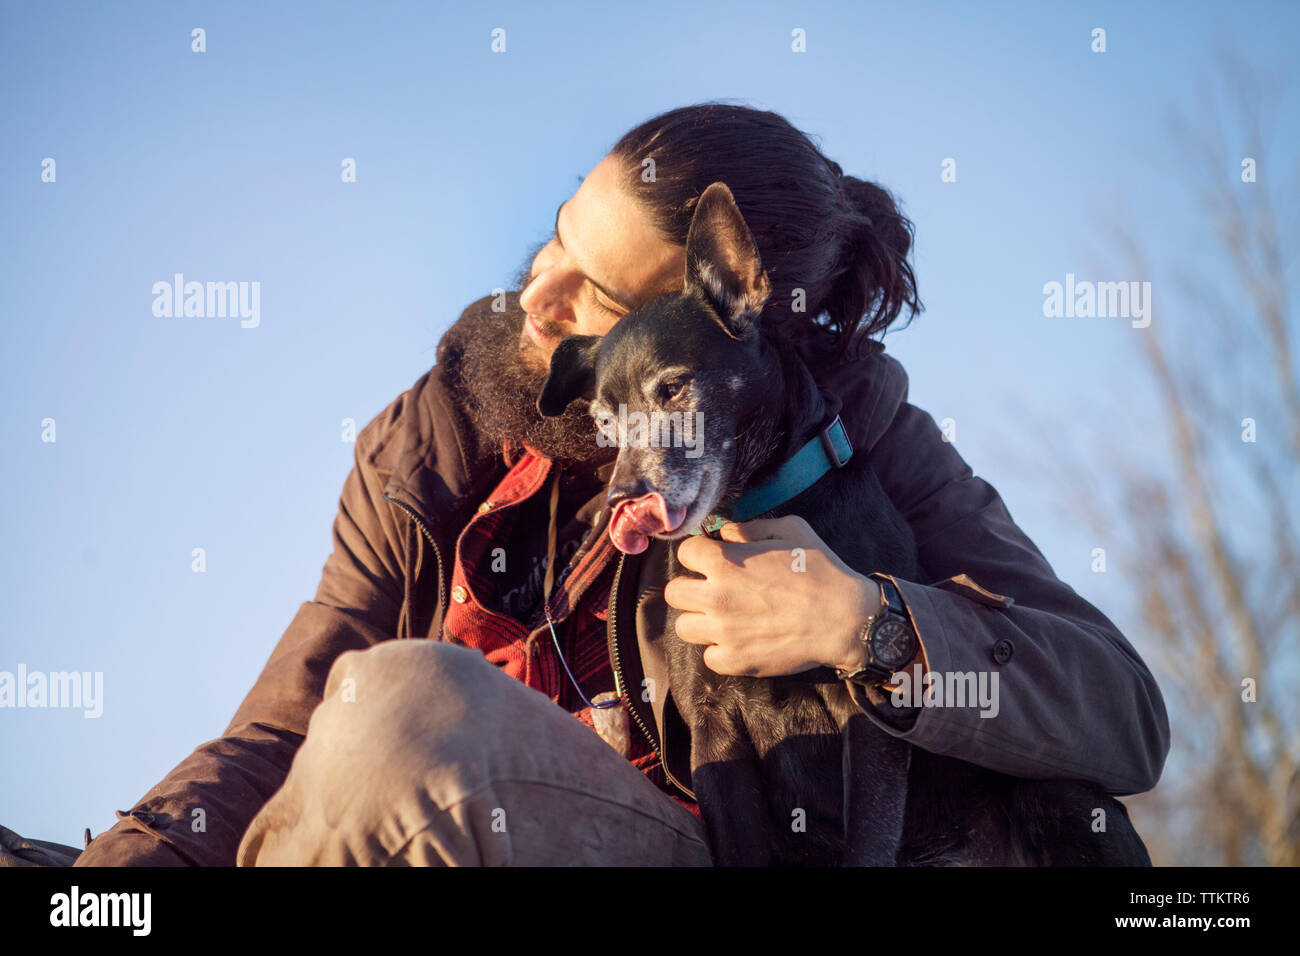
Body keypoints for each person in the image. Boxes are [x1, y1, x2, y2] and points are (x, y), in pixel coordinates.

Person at [74, 103, 1170, 866]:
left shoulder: (862, 440)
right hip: (404, 827)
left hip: (706, 839)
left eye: (594, 286)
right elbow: (282, 730)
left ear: (717, 301)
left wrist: (864, 621)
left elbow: (1119, 713)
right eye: (558, 231)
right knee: (366, 714)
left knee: (405, 714)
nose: (538, 295)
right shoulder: (440, 435)